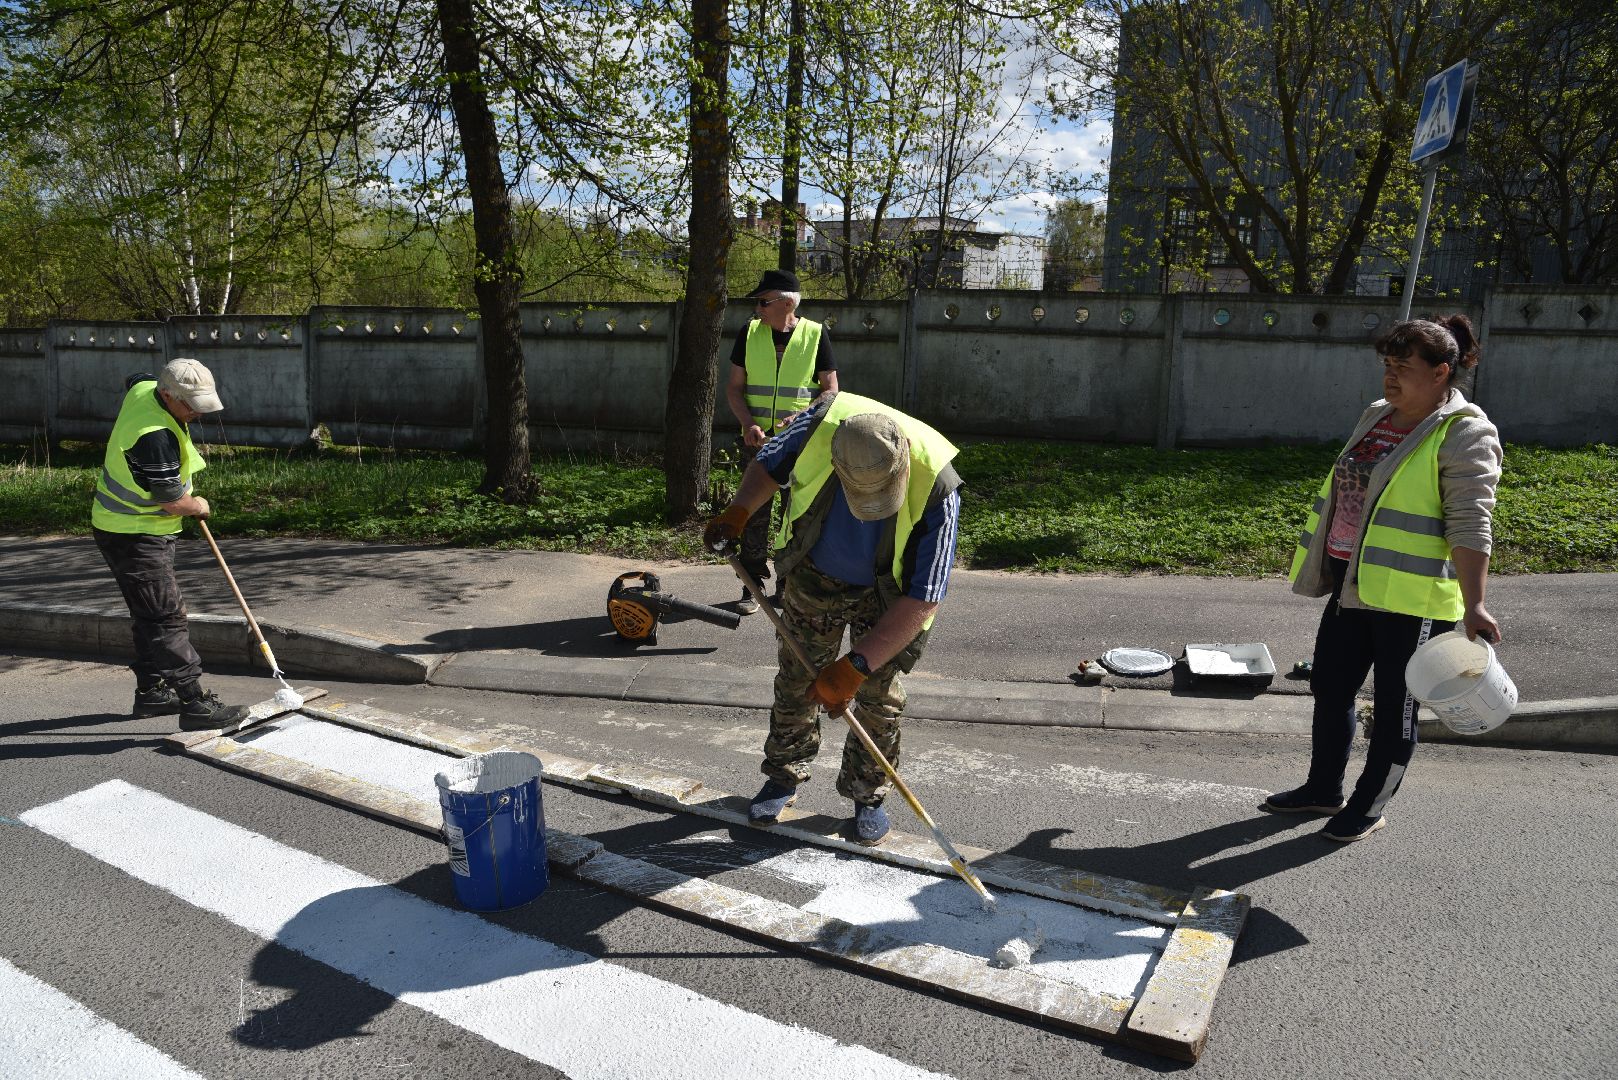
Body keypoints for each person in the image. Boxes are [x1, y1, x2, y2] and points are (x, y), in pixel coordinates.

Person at [1267, 315, 1503, 842]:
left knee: (1397, 708)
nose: (1390, 378)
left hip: (1415, 598)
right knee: (1331, 685)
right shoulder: (1379, 415)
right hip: (1357, 582)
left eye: (1403, 367)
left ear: (1442, 372)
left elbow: (1471, 522)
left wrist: (1476, 603)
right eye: (1387, 366)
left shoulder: (1465, 432)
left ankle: (1368, 806)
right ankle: (1322, 789)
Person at [704, 391, 961, 846]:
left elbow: (924, 597)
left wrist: (856, 666)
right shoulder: (816, 430)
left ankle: (868, 795)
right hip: (814, 573)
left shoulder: (938, 485)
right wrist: (739, 511)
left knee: (879, 699)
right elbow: (766, 466)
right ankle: (783, 776)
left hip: (889, 595)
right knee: (797, 679)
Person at [92, 358, 251, 730]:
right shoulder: (154, 436)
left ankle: (151, 692)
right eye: (190, 405)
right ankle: (194, 704)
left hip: (125, 527)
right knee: (165, 616)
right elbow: (173, 501)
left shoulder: (144, 387)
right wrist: (199, 505)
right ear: (166, 394)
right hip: (135, 533)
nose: (197, 412)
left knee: (147, 613)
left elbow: (134, 376)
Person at [725, 268, 837, 614]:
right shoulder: (749, 333)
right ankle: (752, 587)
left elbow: (831, 391)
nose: (758, 307)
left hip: (800, 444)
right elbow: (734, 388)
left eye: (763, 301)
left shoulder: (816, 335)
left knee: (795, 517)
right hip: (757, 443)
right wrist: (747, 424)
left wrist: (800, 419)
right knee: (753, 513)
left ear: (787, 302)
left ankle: (788, 589)